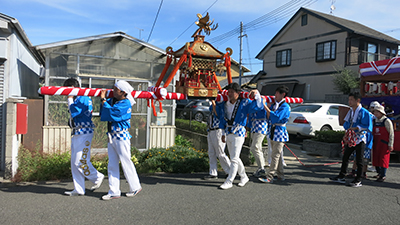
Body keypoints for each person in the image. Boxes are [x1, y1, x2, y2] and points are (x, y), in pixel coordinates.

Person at [100, 80, 142, 200]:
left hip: (121, 136)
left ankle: (135, 186)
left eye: (115, 89)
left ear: (123, 92)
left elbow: (112, 112)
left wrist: (103, 100)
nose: (113, 91)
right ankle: (114, 191)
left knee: (125, 161)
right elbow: (107, 110)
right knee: (112, 163)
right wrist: (104, 100)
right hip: (112, 135)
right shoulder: (117, 101)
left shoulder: (125, 103)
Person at [63, 78, 105, 196]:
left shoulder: (83, 97)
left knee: (80, 161)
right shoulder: (81, 97)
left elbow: (73, 111)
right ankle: (79, 189)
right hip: (78, 132)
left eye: (68, 89)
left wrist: (70, 99)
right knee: (74, 162)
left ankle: (97, 177)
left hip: (84, 131)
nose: (67, 93)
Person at [218, 83, 263, 189]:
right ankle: (244, 177)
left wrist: (257, 95)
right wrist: (223, 133)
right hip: (228, 131)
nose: (229, 94)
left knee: (234, 158)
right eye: (228, 92)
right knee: (235, 157)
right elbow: (221, 118)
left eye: (232, 92)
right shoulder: (225, 103)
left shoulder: (244, 102)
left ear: (238, 93)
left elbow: (257, 107)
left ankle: (229, 181)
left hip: (239, 132)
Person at [330, 92, 372, 187]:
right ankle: (341, 176)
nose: (349, 102)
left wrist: (356, 128)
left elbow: (368, 126)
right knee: (345, 157)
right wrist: (348, 129)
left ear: (358, 100)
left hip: (360, 138)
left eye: (351, 100)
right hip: (351, 138)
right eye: (349, 100)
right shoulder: (350, 111)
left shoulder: (364, 112)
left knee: (359, 160)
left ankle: (358, 179)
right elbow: (346, 122)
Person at [259, 85, 291, 184]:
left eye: (277, 93)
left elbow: (276, 117)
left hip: (280, 131)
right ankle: (281, 175)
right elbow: (270, 116)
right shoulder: (276, 105)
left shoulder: (285, 106)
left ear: (283, 94)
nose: (275, 95)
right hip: (273, 130)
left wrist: (265, 106)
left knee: (275, 155)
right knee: (278, 155)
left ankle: (270, 176)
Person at [203, 100, 231, 180]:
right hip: (211, 130)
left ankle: (230, 171)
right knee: (211, 152)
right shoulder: (214, 105)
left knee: (220, 152)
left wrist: (214, 105)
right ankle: (213, 172)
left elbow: (218, 115)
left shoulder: (223, 105)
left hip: (219, 130)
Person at [372, 104, 394, 182]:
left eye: (377, 112)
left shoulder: (387, 121)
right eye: (374, 112)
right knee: (376, 158)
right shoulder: (374, 121)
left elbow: (391, 133)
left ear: (381, 112)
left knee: (383, 159)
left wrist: (390, 144)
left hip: (384, 143)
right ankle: (379, 173)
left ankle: (383, 175)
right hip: (376, 142)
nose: (375, 114)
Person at [248, 102, 268, 177]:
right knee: (258, 148)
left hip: (261, 128)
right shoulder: (252, 103)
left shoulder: (262, 103)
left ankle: (261, 168)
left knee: (255, 147)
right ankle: (261, 167)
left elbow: (262, 113)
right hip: (254, 128)